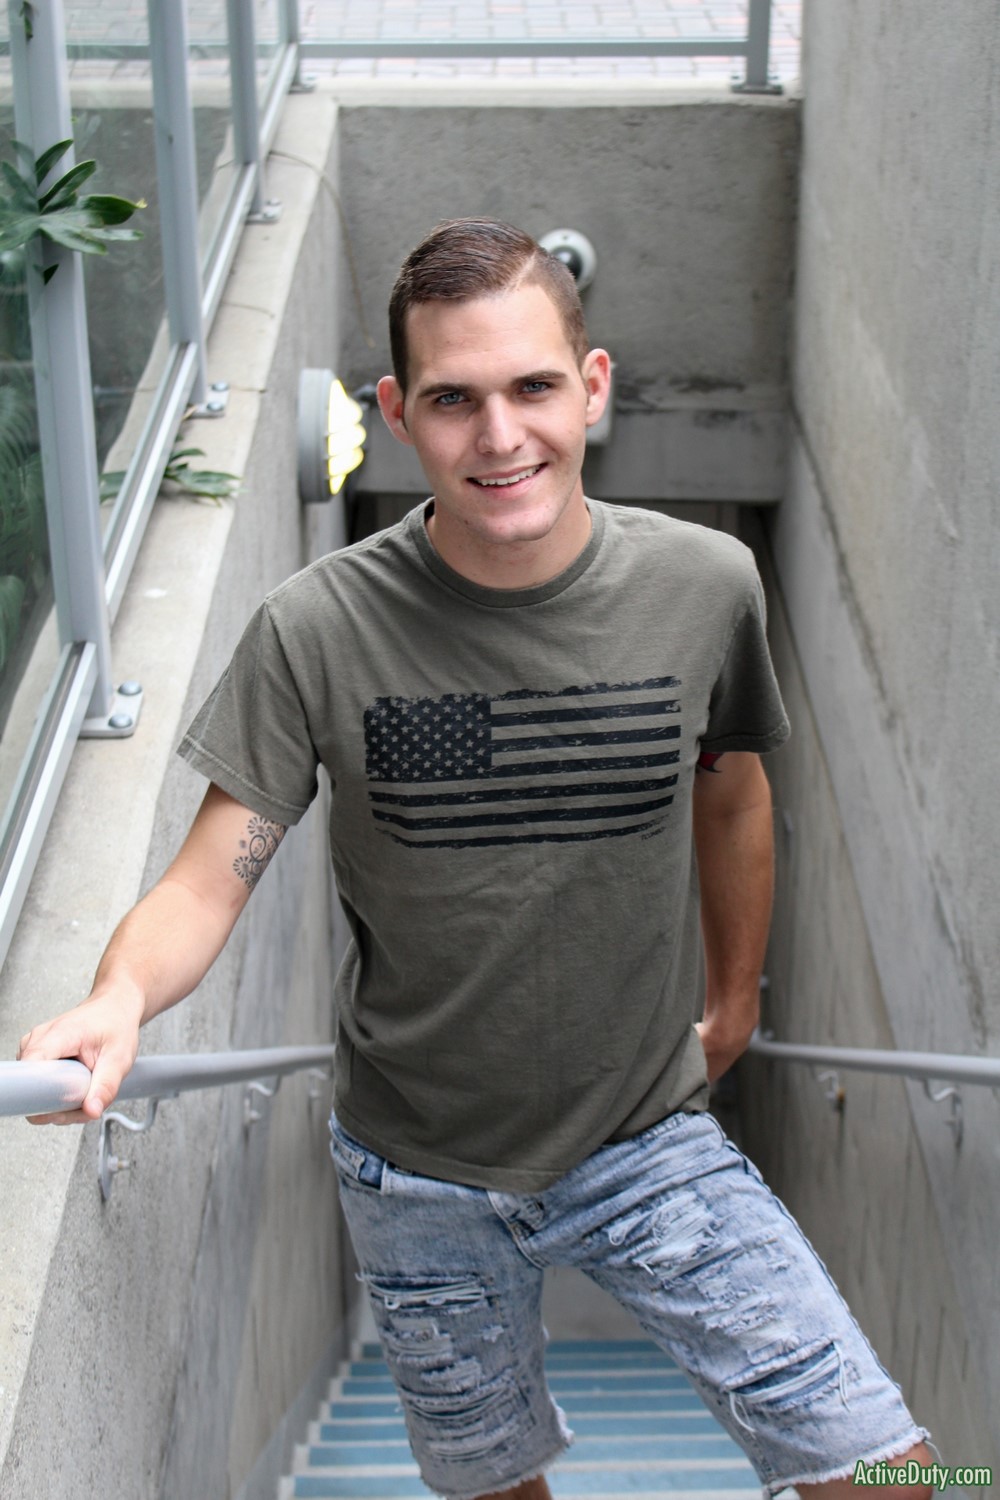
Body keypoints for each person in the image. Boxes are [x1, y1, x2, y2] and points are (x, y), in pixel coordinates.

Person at [20, 219, 934, 1500]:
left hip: (647, 1142)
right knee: (493, 1486)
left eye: (532, 388)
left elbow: (732, 793)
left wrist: (735, 1002)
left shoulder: (706, 585)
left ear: (592, 386)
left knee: (894, 1474)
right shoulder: (314, 630)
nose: (500, 436)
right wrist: (118, 997)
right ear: (398, 413)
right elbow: (209, 873)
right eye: (453, 399)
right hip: (416, 1176)